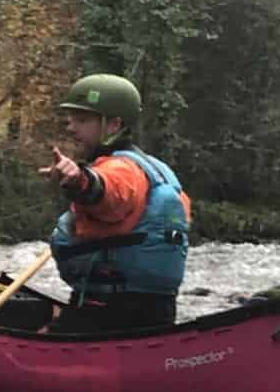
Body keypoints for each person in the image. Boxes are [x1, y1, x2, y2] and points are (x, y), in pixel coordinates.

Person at [38, 73, 191, 333]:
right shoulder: (157, 169)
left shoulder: (121, 169)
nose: (71, 128)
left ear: (113, 125)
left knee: (41, 330)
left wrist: (79, 181)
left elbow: (108, 193)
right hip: (155, 309)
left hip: (106, 311)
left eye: (82, 120)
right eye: (71, 119)